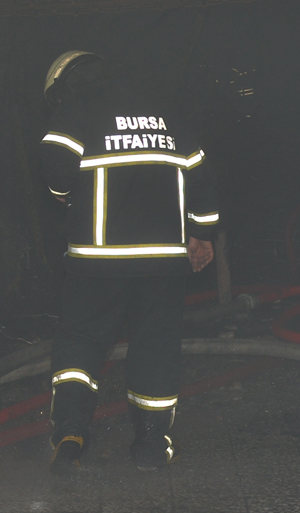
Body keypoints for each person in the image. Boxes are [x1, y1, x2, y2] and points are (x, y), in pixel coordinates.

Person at [38, 50, 218, 473]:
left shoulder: (78, 107)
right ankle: (152, 446)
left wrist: (66, 196)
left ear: (64, 85)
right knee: (155, 345)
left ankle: (70, 433)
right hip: (163, 261)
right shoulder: (165, 115)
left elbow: (56, 163)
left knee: (81, 339)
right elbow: (203, 179)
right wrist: (201, 233)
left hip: (97, 261)